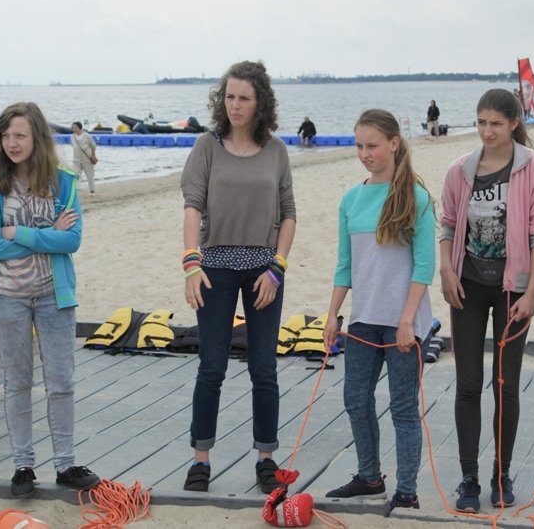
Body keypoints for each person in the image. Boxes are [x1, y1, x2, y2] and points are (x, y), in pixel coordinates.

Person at [180, 60, 296, 494]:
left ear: (260, 102)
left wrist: (277, 268)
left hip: (265, 270)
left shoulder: (276, 151)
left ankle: (266, 458)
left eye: (244, 98)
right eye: (229, 96)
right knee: (211, 366)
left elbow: (289, 214)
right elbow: (193, 205)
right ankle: (201, 460)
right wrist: (191, 264)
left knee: (264, 368)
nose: (235, 105)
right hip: (214, 268)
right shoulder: (206, 147)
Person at [0, 102, 100, 497]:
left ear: (37, 138)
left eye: (20, 135)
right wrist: (48, 232)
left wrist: (19, 232)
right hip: (7, 297)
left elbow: (72, 241)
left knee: (61, 381)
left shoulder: (63, 181)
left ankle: (65, 464)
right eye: (6, 136)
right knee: (18, 382)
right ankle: (23, 466)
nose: (12, 143)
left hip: (53, 296)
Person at [440, 89, 534, 512]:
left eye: (496, 123)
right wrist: (446, 270)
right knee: (469, 384)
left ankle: (501, 474)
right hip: (466, 287)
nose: (487, 131)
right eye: (481, 122)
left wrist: (532, 293)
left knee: (505, 384)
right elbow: (448, 225)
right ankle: (468, 478)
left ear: (514, 123)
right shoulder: (459, 170)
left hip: (513, 291)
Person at [323, 108, 436, 510]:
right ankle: (370, 478)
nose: (364, 154)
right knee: (356, 399)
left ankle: (407, 491)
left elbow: (424, 266)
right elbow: (345, 266)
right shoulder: (351, 199)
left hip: (405, 322)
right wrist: (333, 315)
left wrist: (407, 320)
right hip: (363, 320)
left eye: (372, 145)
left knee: (403, 407)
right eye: (359, 146)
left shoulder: (416, 198)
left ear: (393, 143)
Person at [70, 122, 96, 196]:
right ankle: (76, 190)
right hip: (76, 159)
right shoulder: (72, 136)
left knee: (90, 176)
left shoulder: (87, 136)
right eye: (72, 128)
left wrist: (93, 154)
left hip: (87, 159)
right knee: (76, 175)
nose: (74, 129)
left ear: (80, 127)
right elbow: (73, 146)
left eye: (75, 127)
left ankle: (92, 191)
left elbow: (93, 146)